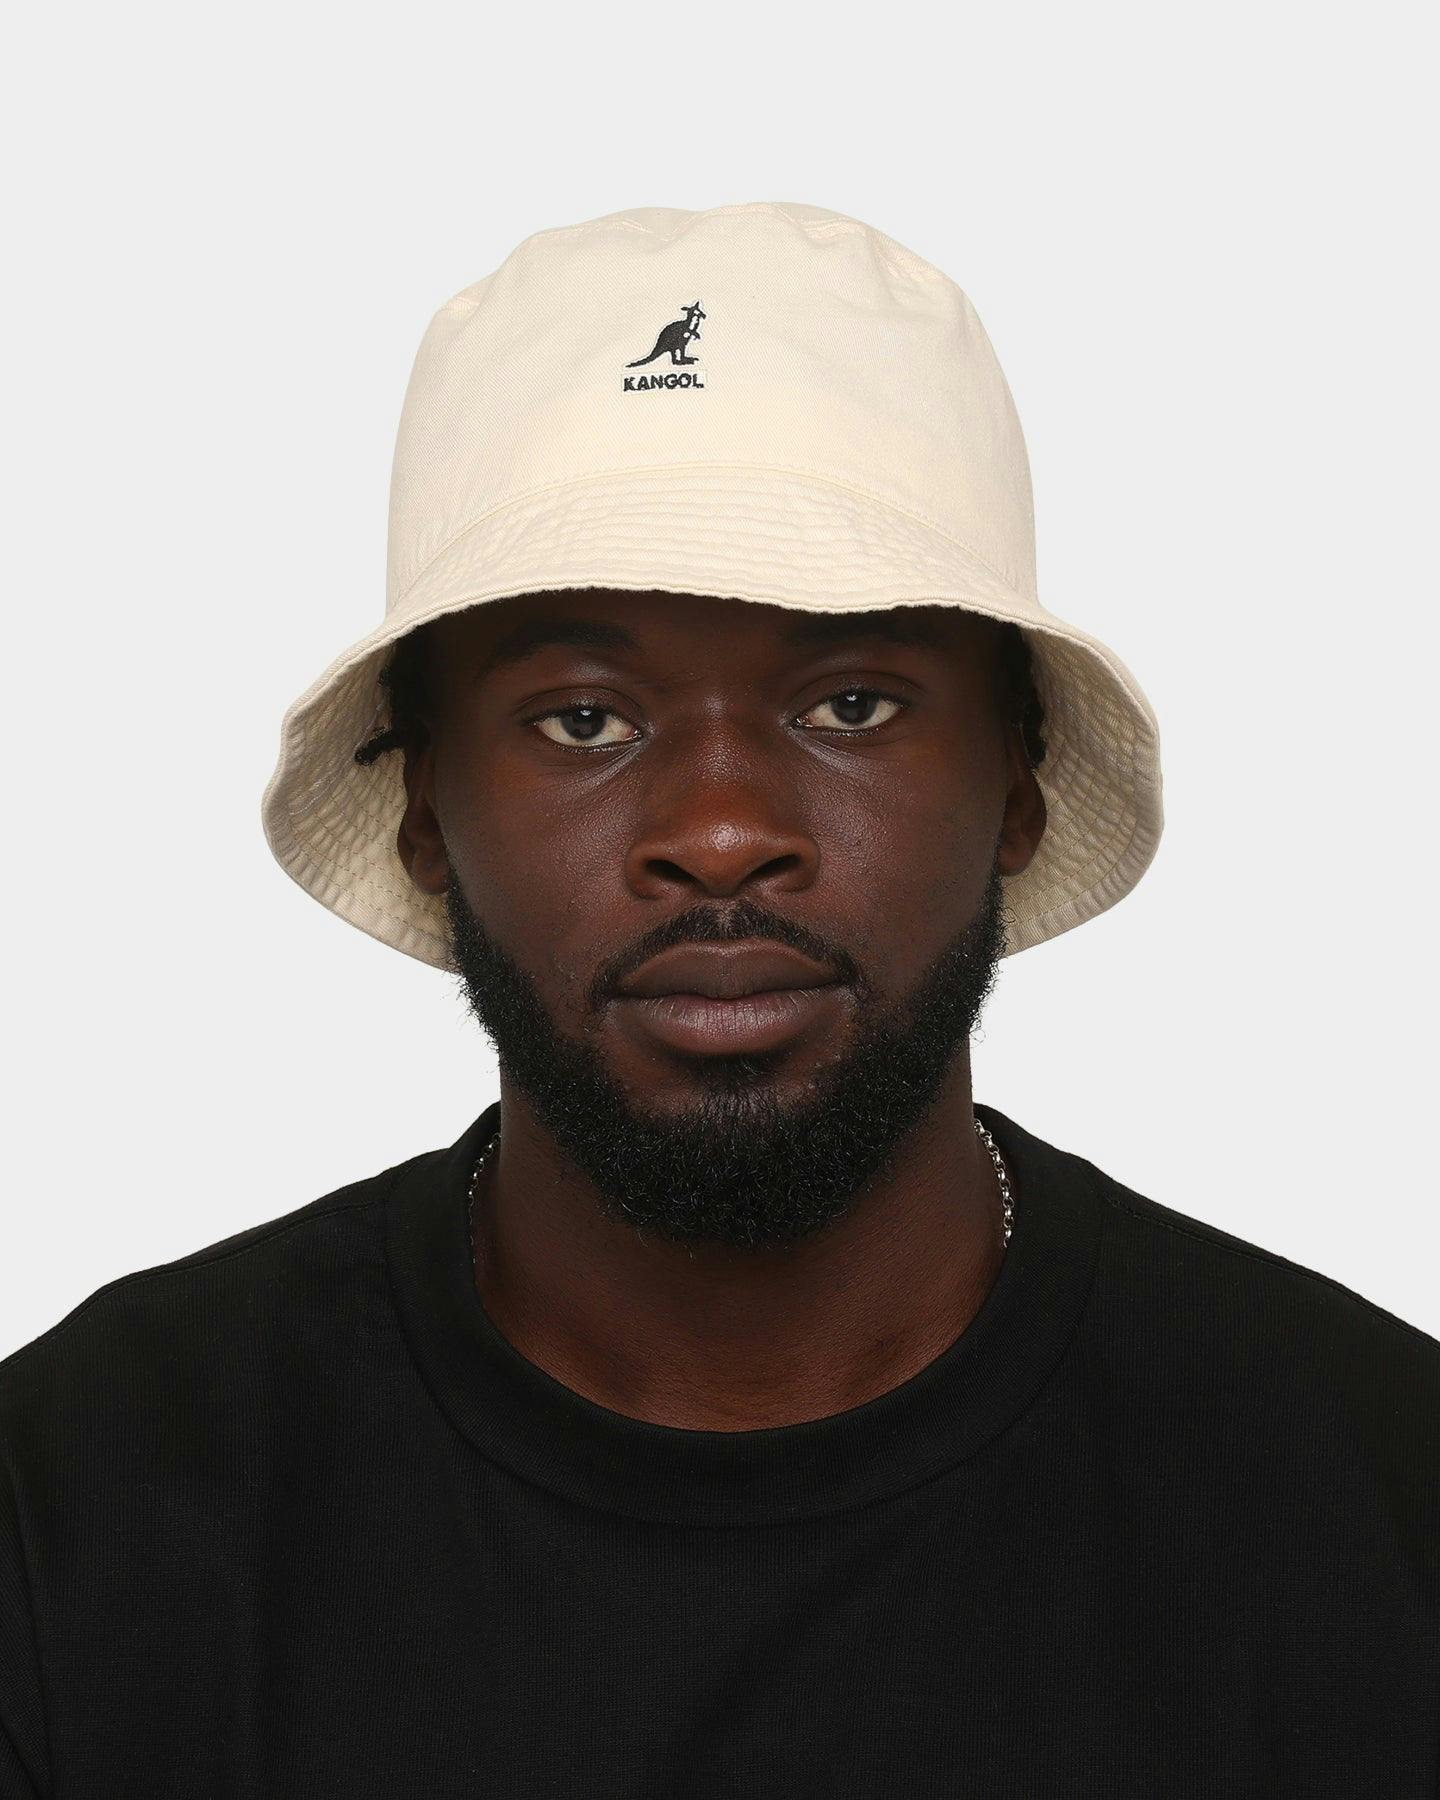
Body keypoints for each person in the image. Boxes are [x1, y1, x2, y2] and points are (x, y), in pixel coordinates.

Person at [2, 202, 1436, 1797]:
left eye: (852, 701)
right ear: (423, 813)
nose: (723, 829)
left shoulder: (1379, 1503)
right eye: (584, 720)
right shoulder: (82, 1511)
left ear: (1019, 784)